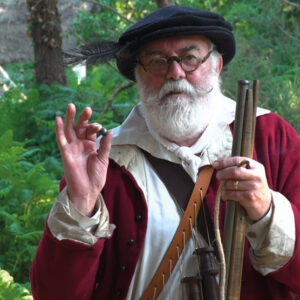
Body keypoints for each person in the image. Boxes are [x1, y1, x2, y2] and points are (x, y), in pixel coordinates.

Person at [30, 5, 300, 300]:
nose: (174, 72)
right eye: (157, 61)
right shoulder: (106, 162)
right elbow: (53, 294)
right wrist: (81, 203)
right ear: (138, 75)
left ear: (216, 65)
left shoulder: (269, 134)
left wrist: (267, 211)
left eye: (189, 58)